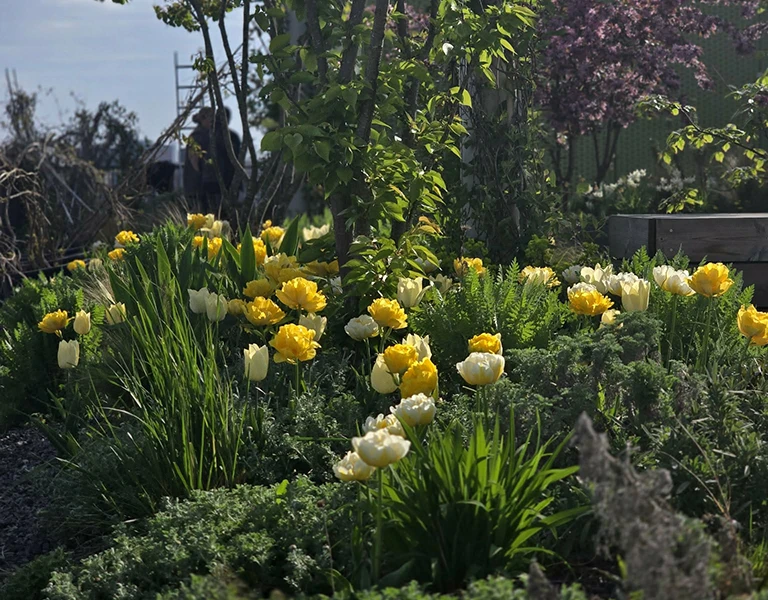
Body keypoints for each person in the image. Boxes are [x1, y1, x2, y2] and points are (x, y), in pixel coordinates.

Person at [201, 107, 242, 217]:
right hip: (219, 182)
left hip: (216, 181)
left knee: (213, 216)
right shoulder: (228, 136)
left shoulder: (209, 135)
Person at [183, 107, 212, 210]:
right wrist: (202, 176)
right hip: (197, 186)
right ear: (204, 119)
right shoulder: (197, 136)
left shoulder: (207, 134)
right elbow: (194, 160)